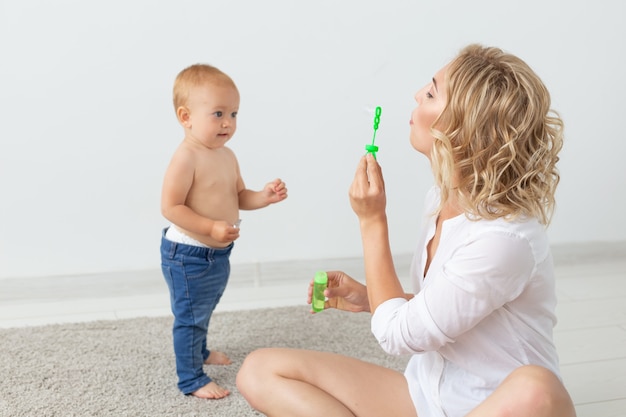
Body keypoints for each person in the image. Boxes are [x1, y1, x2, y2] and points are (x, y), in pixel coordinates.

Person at [236, 45, 577, 416]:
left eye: (431, 93)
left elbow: (397, 336)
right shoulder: (440, 200)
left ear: (465, 130)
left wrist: (371, 221)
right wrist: (373, 299)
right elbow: (452, 304)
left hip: (496, 407)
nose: (417, 94)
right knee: (259, 369)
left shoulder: (505, 240)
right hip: (428, 399)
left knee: (537, 387)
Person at [160, 64, 287, 400]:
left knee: (204, 307)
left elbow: (238, 196)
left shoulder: (227, 155)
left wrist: (264, 196)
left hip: (216, 253)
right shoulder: (186, 157)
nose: (228, 122)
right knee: (190, 316)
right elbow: (171, 207)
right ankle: (191, 379)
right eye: (217, 113)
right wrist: (210, 227)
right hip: (188, 253)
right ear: (185, 117)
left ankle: (199, 352)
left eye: (233, 113)